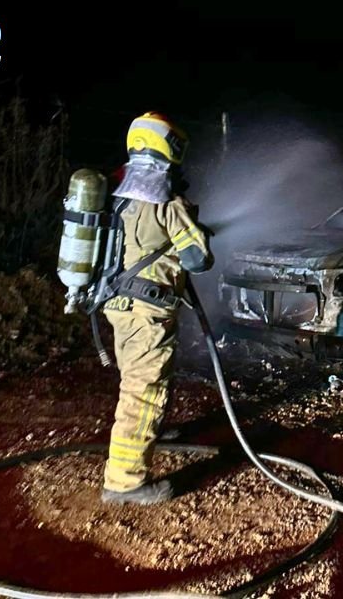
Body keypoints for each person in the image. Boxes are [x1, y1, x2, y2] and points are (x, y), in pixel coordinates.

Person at [100, 112, 213, 505]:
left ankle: (151, 429)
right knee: (142, 388)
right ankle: (125, 481)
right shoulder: (167, 200)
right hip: (147, 311)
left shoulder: (118, 194)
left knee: (137, 377)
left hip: (118, 305)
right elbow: (198, 258)